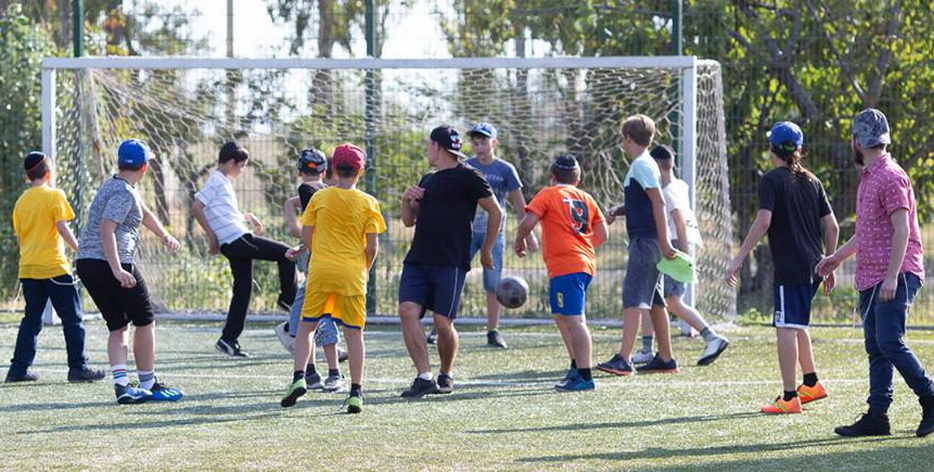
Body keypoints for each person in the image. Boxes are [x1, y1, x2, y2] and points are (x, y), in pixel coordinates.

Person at [817, 108, 934, 436]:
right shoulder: (870, 176)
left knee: (889, 341)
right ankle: (877, 417)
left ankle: (930, 396)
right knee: (876, 346)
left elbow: (902, 230)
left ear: (856, 140)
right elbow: (866, 233)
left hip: (896, 273)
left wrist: (892, 276)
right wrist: (836, 259)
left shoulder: (890, 175)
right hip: (873, 275)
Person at [726, 121, 837, 414]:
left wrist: (738, 259)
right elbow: (832, 226)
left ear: (772, 148)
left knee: (786, 327)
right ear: (798, 149)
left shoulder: (771, 180)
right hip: (814, 265)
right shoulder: (813, 181)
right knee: (797, 324)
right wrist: (830, 261)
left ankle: (789, 397)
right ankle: (811, 383)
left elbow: (763, 221)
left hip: (791, 268)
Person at [75, 139, 184, 404]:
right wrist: (117, 270)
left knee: (118, 324)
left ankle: (123, 387)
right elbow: (106, 228)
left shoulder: (115, 185)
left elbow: (143, 212)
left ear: (119, 163)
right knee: (145, 320)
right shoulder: (125, 192)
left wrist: (164, 235)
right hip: (111, 263)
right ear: (144, 167)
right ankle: (148, 383)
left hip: (87, 262)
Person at [398, 125, 502, 398]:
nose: (427, 150)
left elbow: (496, 212)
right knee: (407, 311)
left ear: (437, 146)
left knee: (443, 323)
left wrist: (487, 250)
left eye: (429, 145)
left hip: (451, 261)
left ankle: (446, 372)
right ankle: (424, 376)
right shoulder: (428, 179)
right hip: (418, 259)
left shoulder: (468, 176)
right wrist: (406, 200)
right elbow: (408, 221)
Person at [280, 143, 385, 413]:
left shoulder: (319, 198)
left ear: (334, 170)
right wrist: (364, 269)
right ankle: (356, 393)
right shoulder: (369, 202)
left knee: (307, 327)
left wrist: (318, 254)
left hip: (320, 271)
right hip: (352, 274)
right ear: (361, 171)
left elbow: (307, 237)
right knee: (354, 333)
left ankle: (299, 377)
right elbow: (372, 247)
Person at [5, 152, 106, 384]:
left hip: (28, 268)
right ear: (49, 173)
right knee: (72, 318)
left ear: (27, 176)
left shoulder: (21, 202)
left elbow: (20, 238)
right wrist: (79, 249)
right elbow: (62, 227)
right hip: (54, 267)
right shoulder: (55, 195)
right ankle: (78, 367)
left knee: (31, 319)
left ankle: (18, 370)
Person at [192, 140, 297, 358]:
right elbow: (197, 207)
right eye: (241, 166)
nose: (241, 171)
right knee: (287, 253)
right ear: (232, 162)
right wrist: (212, 238)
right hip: (236, 240)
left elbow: (224, 213)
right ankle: (288, 298)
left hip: (234, 239)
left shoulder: (223, 182)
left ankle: (228, 339)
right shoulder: (217, 181)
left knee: (243, 289)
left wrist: (247, 217)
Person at [514, 155, 607, 391]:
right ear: (578, 179)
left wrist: (519, 241)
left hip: (568, 266)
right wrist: (581, 248)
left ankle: (585, 375)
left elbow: (527, 222)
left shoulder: (549, 193)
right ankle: (576, 366)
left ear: (552, 177)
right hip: (581, 264)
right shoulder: (586, 197)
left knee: (575, 320)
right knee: (561, 315)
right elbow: (603, 233)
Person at [631, 145, 730, 366]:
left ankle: (711, 338)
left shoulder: (669, 192)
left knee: (670, 301)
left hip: (674, 248)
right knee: (657, 299)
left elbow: (679, 223)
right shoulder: (678, 185)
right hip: (673, 247)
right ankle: (648, 349)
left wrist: (684, 256)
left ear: (657, 166)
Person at [597, 114, 677, 377]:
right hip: (649, 240)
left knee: (633, 297)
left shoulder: (642, 164)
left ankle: (624, 358)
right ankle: (666, 357)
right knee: (655, 301)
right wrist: (618, 210)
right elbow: (642, 201)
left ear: (629, 138)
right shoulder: (646, 164)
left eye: (623, 139)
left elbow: (658, 202)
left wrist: (664, 242)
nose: (622, 143)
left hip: (646, 241)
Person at [454, 122, 538, 348]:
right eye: (475, 142)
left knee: (492, 284)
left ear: (494, 143)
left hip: (494, 234)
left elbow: (519, 204)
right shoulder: (465, 166)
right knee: (453, 277)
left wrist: (528, 234)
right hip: (466, 232)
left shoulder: (505, 169)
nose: (479, 146)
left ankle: (493, 330)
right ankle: (442, 325)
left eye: (484, 142)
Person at [275, 149, 346, 391]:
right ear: (325, 172)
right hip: (325, 264)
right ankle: (312, 372)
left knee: (319, 318)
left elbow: (308, 228)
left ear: (299, 171)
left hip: (322, 267)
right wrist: (302, 246)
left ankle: (334, 372)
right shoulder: (333, 194)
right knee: (303, 317)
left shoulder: (307, 190)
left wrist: (300, 237)